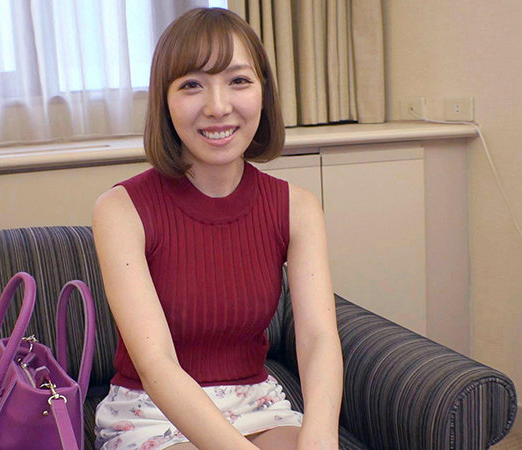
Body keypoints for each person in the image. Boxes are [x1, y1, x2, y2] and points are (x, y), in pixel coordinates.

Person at [91, 7, 342, 450]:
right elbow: (156, 364)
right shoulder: (119, 210)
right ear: (164, 101)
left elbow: (317, 337)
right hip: (153, 409)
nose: (218, 107)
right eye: (191, 85)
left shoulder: (299, 208)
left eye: (238, 80)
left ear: (263, 92)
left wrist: (320, 438)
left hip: (257, 404)